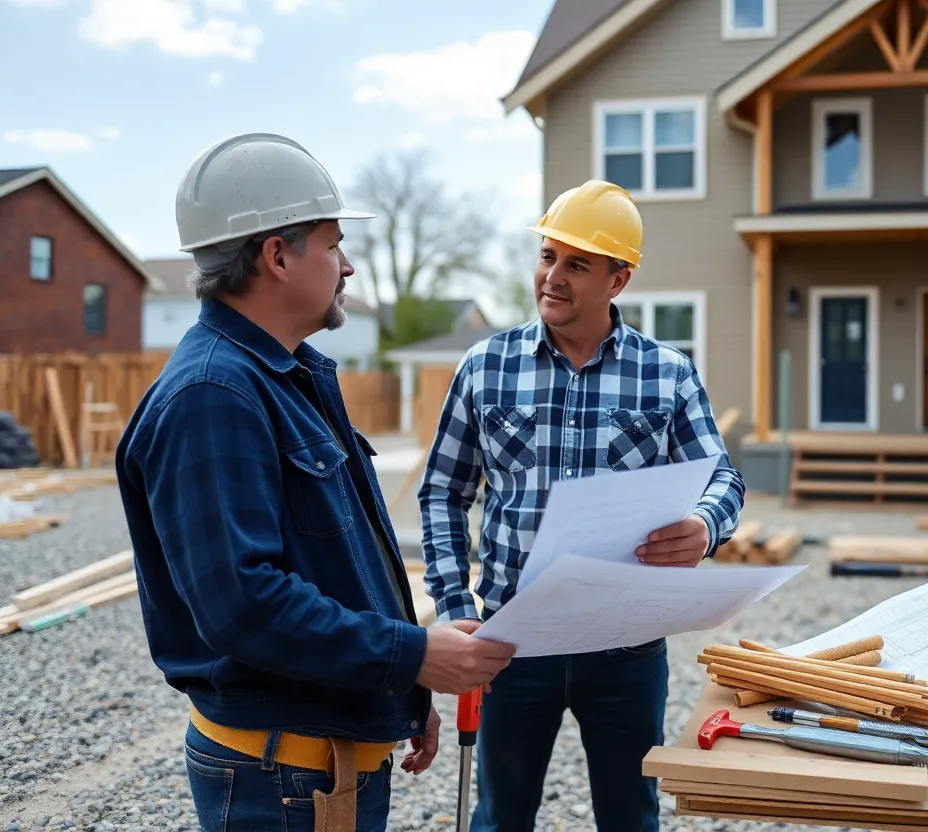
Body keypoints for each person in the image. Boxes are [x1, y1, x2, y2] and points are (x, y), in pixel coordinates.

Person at [113, 133, 515, 832]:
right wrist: (414, 655)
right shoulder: (214, 396)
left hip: (320, 758)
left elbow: (334, 562)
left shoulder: (285, 377)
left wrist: (403, 688)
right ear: (276, 254)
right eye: (332, 244)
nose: (348, 265)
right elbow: (244, 604)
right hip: (284, 781)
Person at [417, 179, 746, 831]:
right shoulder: (487, 366)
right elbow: (442, 494)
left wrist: (704, 527)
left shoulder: (667, 374)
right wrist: (456, 612)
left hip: (625, 648)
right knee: (500, 817)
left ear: (617, 281)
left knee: (629, 818)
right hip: (511, 644)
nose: (553, 277)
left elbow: (725, 481)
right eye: (547, 256)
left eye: (578, 264)